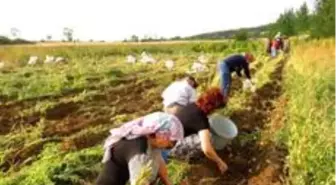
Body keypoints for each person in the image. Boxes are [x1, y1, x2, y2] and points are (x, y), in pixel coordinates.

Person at [95, 112, 184, 185]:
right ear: (160, 134)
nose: (172, 145)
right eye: (172, 141)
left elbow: (158, 161)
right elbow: (140, 183)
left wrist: (168, 182)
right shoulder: (139, 152)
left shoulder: (150, 140)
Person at [167, 87, 229, 174]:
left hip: (164, 138)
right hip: (168, 148)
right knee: (208, 139)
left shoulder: (192, 105)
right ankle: (188, 159)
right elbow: (207, 149)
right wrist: (220, 161)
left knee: (204, 134)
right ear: (213, 107)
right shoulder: (201, 120)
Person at [169, 115, 238, 162]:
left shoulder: (205, 120)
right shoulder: (205, 137)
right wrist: (219, 161)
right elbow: (207, 150)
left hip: (175, 137)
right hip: (175, 148)